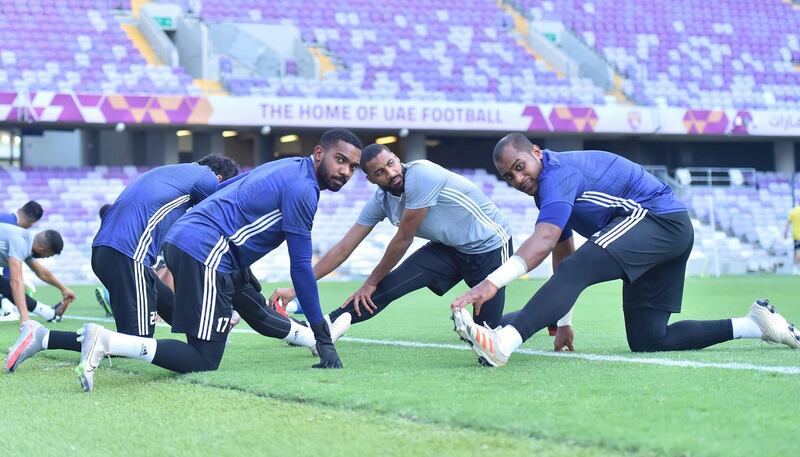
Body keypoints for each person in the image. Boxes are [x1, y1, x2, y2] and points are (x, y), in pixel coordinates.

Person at [451, 134, 800, 366]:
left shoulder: (558, 175)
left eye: (519, 167)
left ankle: (503, 342)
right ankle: (755, 325)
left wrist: (492, 282)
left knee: (579, 269)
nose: (517, 178)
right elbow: (562, 249)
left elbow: (545, 244)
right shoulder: (548, 187)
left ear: (537, 154)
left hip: (659, 221)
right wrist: (563, 322)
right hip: (667, 231)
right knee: (650, 338)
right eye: (509, 177)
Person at [73, 128, 362, 391]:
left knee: (256, 309)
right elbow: (300, 267)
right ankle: (107, 341)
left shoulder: (288, 166)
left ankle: (311, 339)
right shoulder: (304, 190)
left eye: (352, 167)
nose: (346, 171)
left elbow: (227, 188)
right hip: (207, 251)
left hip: (193, 241)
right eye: (340, 160)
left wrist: (241, 270)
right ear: (319, 153)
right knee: (203, 357)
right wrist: (324, 335)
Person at [269, 144, 576, 353]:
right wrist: (298, 288)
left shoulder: (422, 174)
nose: (390, 173)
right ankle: (321, 330)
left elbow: (404, 238)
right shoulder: (380, 201)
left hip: (490, 247)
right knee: (386, 288)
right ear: (370, 179)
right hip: (448, 249)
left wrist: (370, 279)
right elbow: (343, 248)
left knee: (486, 343)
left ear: (397, 158)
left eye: (391, 163)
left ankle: (534, 318)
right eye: (380, 172)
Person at [5, 154, 240, 373]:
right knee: (133, 341)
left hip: (109, 251)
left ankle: (207, 331)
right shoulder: (207, 178)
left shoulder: (174, 172)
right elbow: (215, 223)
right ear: (219, 178)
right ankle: (43, 337)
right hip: (128, 254)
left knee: (168, 303)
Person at [0, 225, 74, 367]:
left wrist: (63, 289)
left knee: (3, 285)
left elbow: (42, 273)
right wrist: (26, 319)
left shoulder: (27, 240)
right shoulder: (20, 241)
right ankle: (48, 313)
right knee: (7, 285)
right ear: (42, 250)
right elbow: (16, 281)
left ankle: (48, 313)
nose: (46, 258)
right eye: (49, 255)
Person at [784, 204, 800, 275]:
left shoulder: (793, 211)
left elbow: (788, 223)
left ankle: (795, 267)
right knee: (798, 251)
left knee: (796, 251)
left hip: (795, 234)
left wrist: (785, 233)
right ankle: (796, 268)